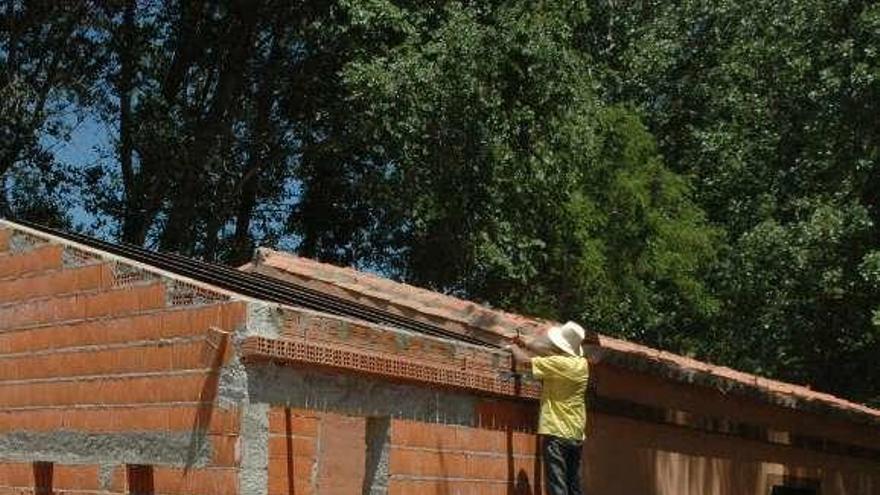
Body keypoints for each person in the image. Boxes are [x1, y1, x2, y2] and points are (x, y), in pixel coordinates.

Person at [504, 321, 599, 495]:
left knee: (557, 487)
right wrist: (526, 344)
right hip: (576, 432)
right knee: (573, 486)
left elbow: (524, 362)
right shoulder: (581, 364)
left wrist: (513, 348)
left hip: (557, 431)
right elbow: (550, 354)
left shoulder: (559, 364)